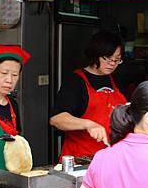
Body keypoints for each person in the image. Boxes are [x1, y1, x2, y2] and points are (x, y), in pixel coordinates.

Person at [50, 30, 127, 159]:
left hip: (111, 157)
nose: (112, 64)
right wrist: (89, 124)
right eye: (107, 58)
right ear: (95, 55)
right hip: (81, 159)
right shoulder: (75, 81)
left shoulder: (117, 80)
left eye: (117, 60)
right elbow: (57, 119)